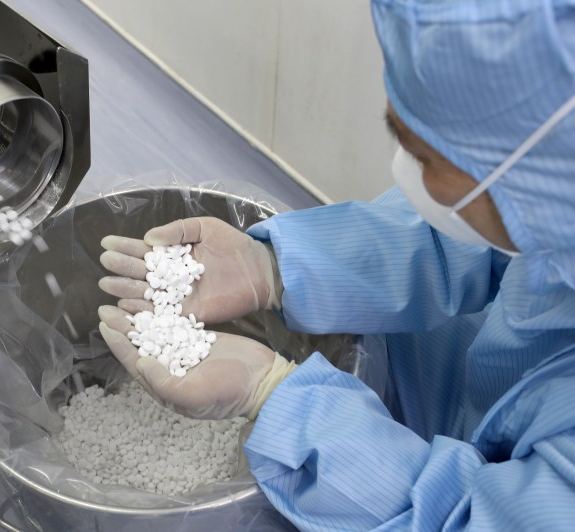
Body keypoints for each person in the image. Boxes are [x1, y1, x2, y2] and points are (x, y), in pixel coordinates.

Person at [97, 0, 575, 529]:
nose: (404, 170)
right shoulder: (551, 207)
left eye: (424, 154)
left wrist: (275, 395)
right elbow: (470, 242)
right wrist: (277, 267)